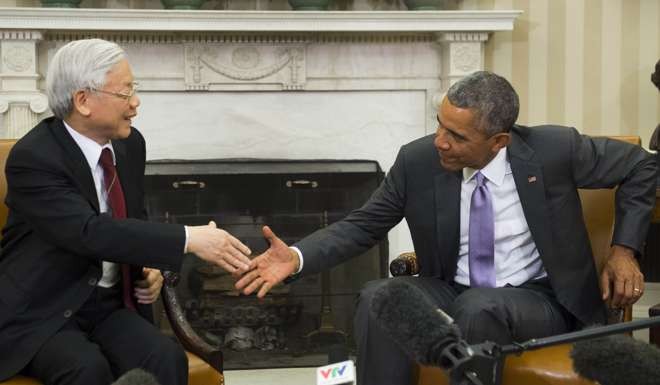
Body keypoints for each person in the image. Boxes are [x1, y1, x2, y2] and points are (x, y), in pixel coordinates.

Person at [235, 71, 658, 385]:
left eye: (455, 135)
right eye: (440, 125)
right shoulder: (418, 161)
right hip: (450, 287)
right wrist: (296, 256)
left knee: (480, 307)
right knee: (380, 295)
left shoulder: (554, 150)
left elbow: (643, 165)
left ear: (499, 142)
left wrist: (624, 250)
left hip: (538, 297)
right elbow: (363, 225)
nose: (440, 141)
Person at [0, 39, 253, 385]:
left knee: (164, 359)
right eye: (125, 92)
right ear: (83, 101)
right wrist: (188, 238)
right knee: (86, 369)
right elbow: (88, 231)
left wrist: (147, 268)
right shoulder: (35, 158)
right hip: (44, 311)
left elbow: (132, 220)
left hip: (107, 306)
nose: (135, 103)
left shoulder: (129, 145)